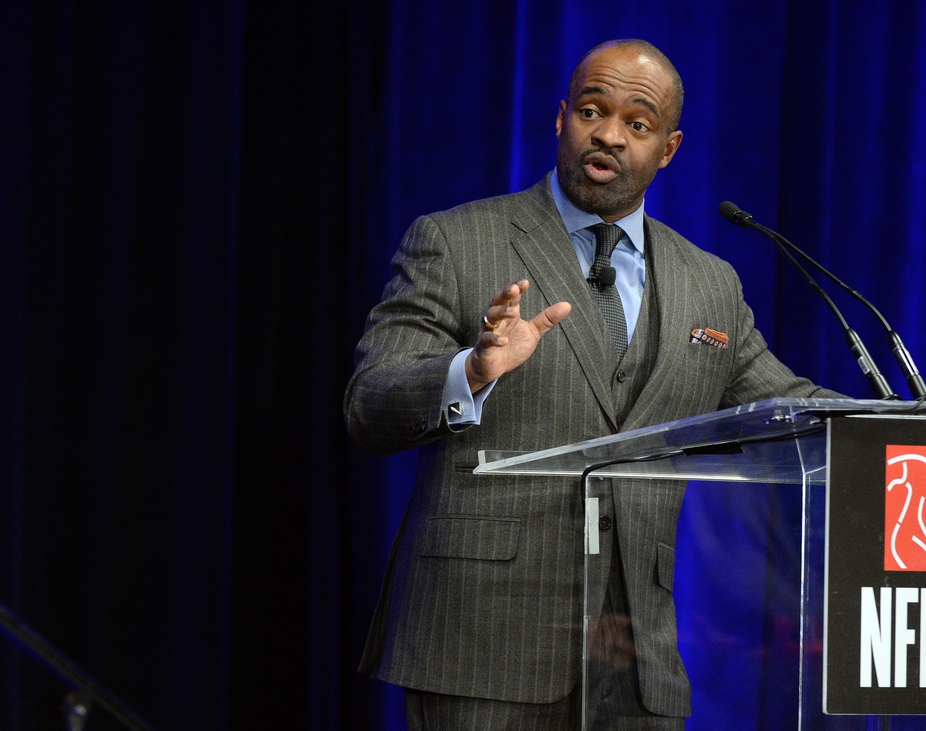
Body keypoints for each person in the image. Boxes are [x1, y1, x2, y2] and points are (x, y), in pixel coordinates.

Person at [345, 39, 837, 730]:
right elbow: (369, 405)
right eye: (590, 110)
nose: (607, 133)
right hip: (482, 647)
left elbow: (785, 406)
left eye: (637, 123)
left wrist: (909, 426)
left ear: (668, 148)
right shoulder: (457, 241)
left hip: (637, 661)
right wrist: (472, 369)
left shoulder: (709, 284)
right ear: (559, 118)